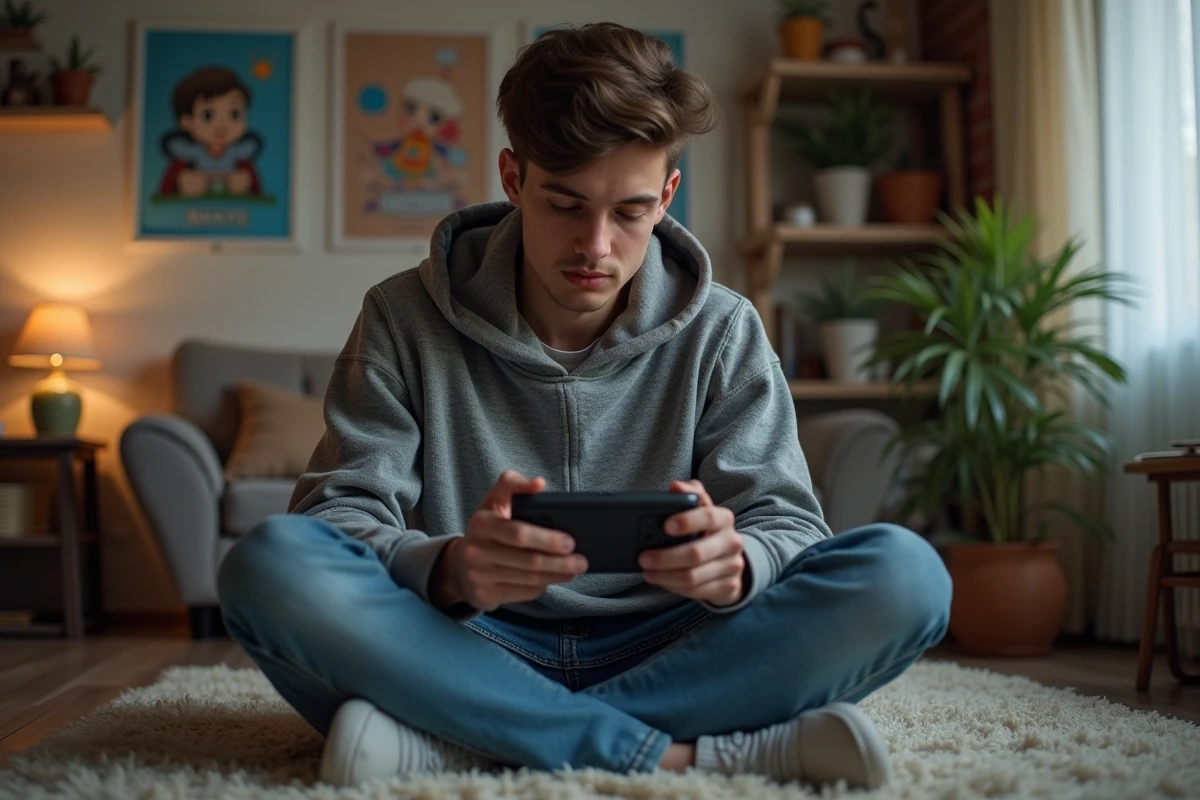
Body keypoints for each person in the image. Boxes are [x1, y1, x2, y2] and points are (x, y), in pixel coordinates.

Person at [217, 22, 952, 791]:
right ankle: (685, 755)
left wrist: (737, 563)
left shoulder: (725, 328)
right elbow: (333, 518)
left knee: (907, 576)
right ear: (513, 177)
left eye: (631, 212)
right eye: (565, 204)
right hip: (463, 641)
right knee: (272, 565)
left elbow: (791, 526)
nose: (595, 245)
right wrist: (453, 569)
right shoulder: (402, 316)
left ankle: (458, 739)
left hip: (678, 644)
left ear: (669, 195)